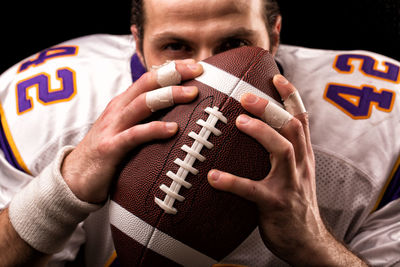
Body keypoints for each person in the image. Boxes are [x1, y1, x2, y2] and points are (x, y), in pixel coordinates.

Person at [0, 0, 399, 266]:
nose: (212, 71)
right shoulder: (50, 109)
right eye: (175, 46)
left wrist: (313, 245)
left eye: (235, 43)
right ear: (136, 43)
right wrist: (63, 189)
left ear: (275, 36)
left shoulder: (380, 122)